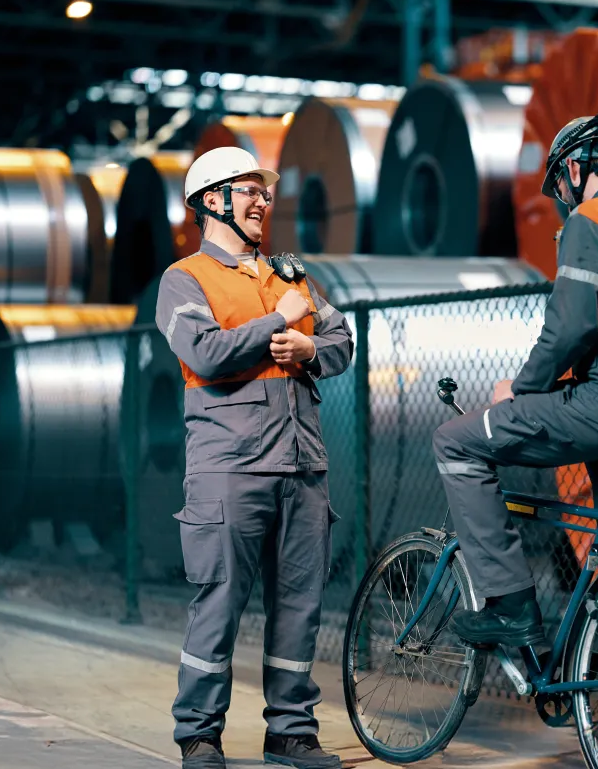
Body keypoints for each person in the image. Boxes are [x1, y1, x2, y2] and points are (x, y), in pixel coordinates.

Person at [433, 112, 598, 648]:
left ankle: (510, 605)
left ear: (577, 168)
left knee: (456, 443)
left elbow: (571, 327)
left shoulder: (594, 220)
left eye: (560, 182)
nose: (563, 195)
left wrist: (524, 387)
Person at [155, 146, 354, 769]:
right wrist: (279, 320)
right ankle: (199, 734)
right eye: (249, 190)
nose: (264, 201)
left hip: (302, 466)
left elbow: (341, 339)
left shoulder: (290, 276)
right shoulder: (184, 279)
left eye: (265, 193)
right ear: (212, 200)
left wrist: (308, 348)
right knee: (218, 601)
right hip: (230, 469)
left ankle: (291, 732)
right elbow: (206, 354)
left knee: (299, 604)